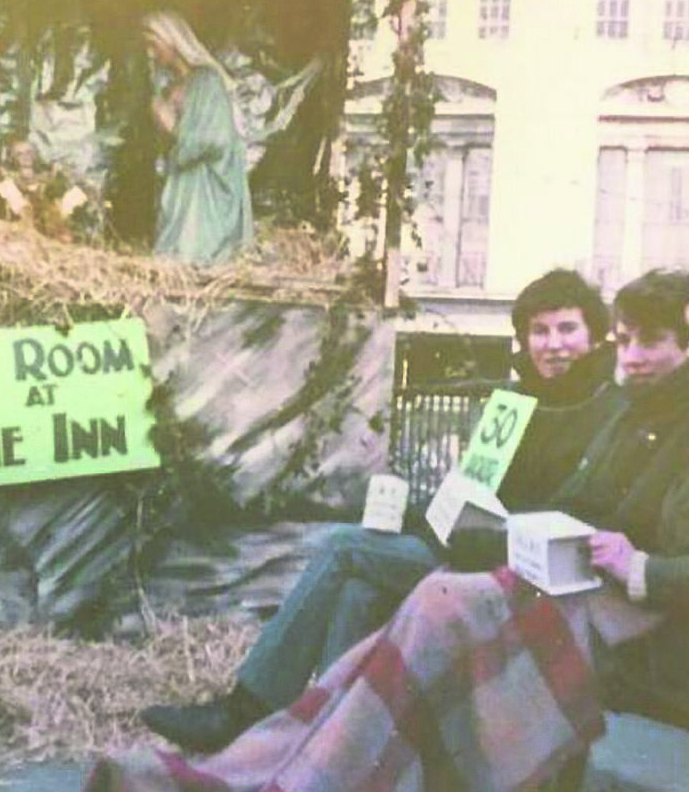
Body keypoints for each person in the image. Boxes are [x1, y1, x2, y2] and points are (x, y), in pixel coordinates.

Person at [26, 249, 689, 792]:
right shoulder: (567, 406)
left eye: (685, 337)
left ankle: (306, 768)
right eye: (543, 331)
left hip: (607, 604)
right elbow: (566, 503)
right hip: (526, 566)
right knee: (364, 574)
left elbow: (668, 540)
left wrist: (619, 563)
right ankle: (300, 764)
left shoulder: (640, 411)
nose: (663, 355)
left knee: (392, 583)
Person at [141, 267, 619, 752]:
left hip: (524, 573)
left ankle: (247, 711)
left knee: (341, 547)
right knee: (356, 588)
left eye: (567, 329)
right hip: (472, 547)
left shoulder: (607, 411)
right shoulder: (516, 402)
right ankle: (332, 739)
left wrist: (480, 536)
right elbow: (477, 489)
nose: (553, 344)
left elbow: (573, 515)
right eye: (540, 331)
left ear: (596, 336)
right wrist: (423, 511)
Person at [141, 11, 253, 264]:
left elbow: (214, 140)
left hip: (206, 188)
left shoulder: (206, 80)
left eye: (153, 44)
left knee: (192, 257)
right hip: (182, 184)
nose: (150, 53)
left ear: (173, 41)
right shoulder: (175, 85)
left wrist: (170, 125)